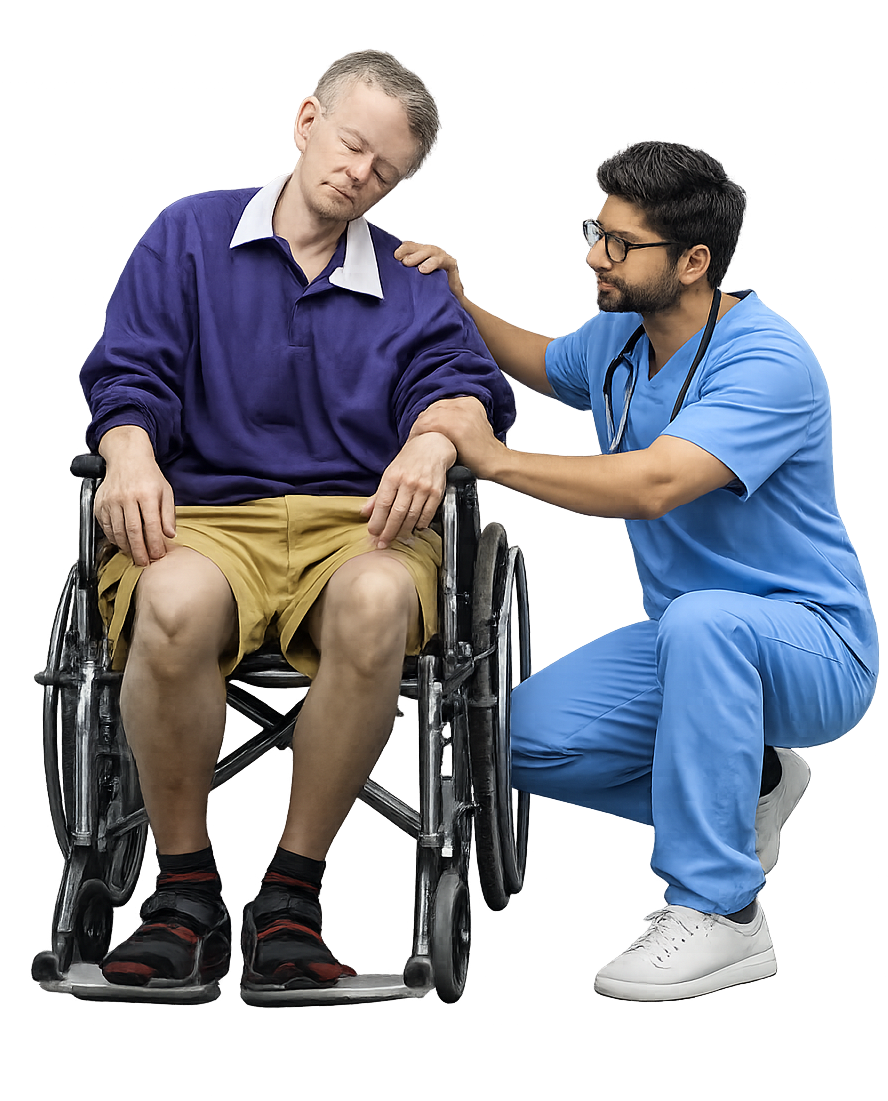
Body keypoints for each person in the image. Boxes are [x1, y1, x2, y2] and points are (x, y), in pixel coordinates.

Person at [79, 50, 516, 998]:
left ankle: (290, 897)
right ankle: (184, 896)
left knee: (373, 604)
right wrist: (127, 450)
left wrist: (436, 443)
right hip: (204, 514)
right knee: (174, 601)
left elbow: (465, 388)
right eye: (352, 145)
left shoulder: (411, 280)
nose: (358, 174)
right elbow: (130, 369)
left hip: (357, 522)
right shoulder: (187, 232)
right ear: (307, 120)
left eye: (385, 170)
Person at [399, 139, 878, 1001]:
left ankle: (722, 911)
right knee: (504, 738)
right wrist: (459, 303)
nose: (594, 254)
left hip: (813, 645)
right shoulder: (621, 337)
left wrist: (498, 461)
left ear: (694, 261)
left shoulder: (768, 360)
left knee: (705, 620)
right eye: (596, 230)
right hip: (685, 640)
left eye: (620, 243)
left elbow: (658, 483)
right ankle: (757, 784)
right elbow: (547, 365)